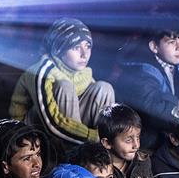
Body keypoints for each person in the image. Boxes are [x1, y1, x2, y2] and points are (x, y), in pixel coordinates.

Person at [9, 17, 115, 148]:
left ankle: (103, 147)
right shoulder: (41, 70)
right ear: (59, 49)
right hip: (33, 130)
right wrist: (92, 137)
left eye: (87, 46)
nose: (84, 54)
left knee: (104, 88)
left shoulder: (83, 72)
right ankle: (75, 153)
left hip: (71, 127)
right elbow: (51, 121)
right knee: (65, 86)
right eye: (76, 47)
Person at [117, 14, 179, 149]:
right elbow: (152, 105)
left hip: (176, 122)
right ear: (154, 46)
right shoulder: (141, 70)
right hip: (148, 129)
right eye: (171, 42)